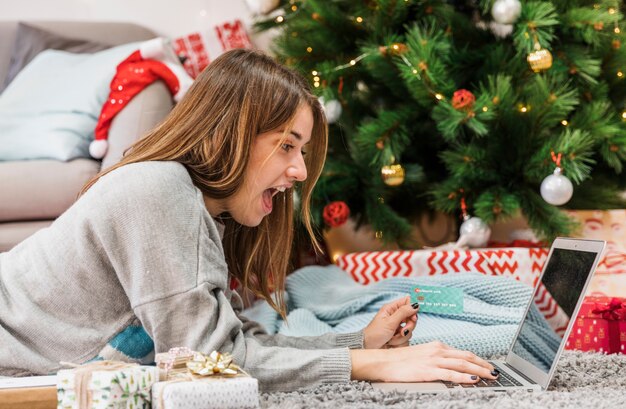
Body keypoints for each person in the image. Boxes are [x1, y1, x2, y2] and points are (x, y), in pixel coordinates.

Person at [0, 49, 498, 391]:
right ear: (229, 134)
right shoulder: (157, 189)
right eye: (286, 146)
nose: (300, 171)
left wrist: (357, 342)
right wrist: (373, 364)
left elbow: (230, 346)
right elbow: (206, 366)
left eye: (301, 151)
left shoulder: (197, 209)